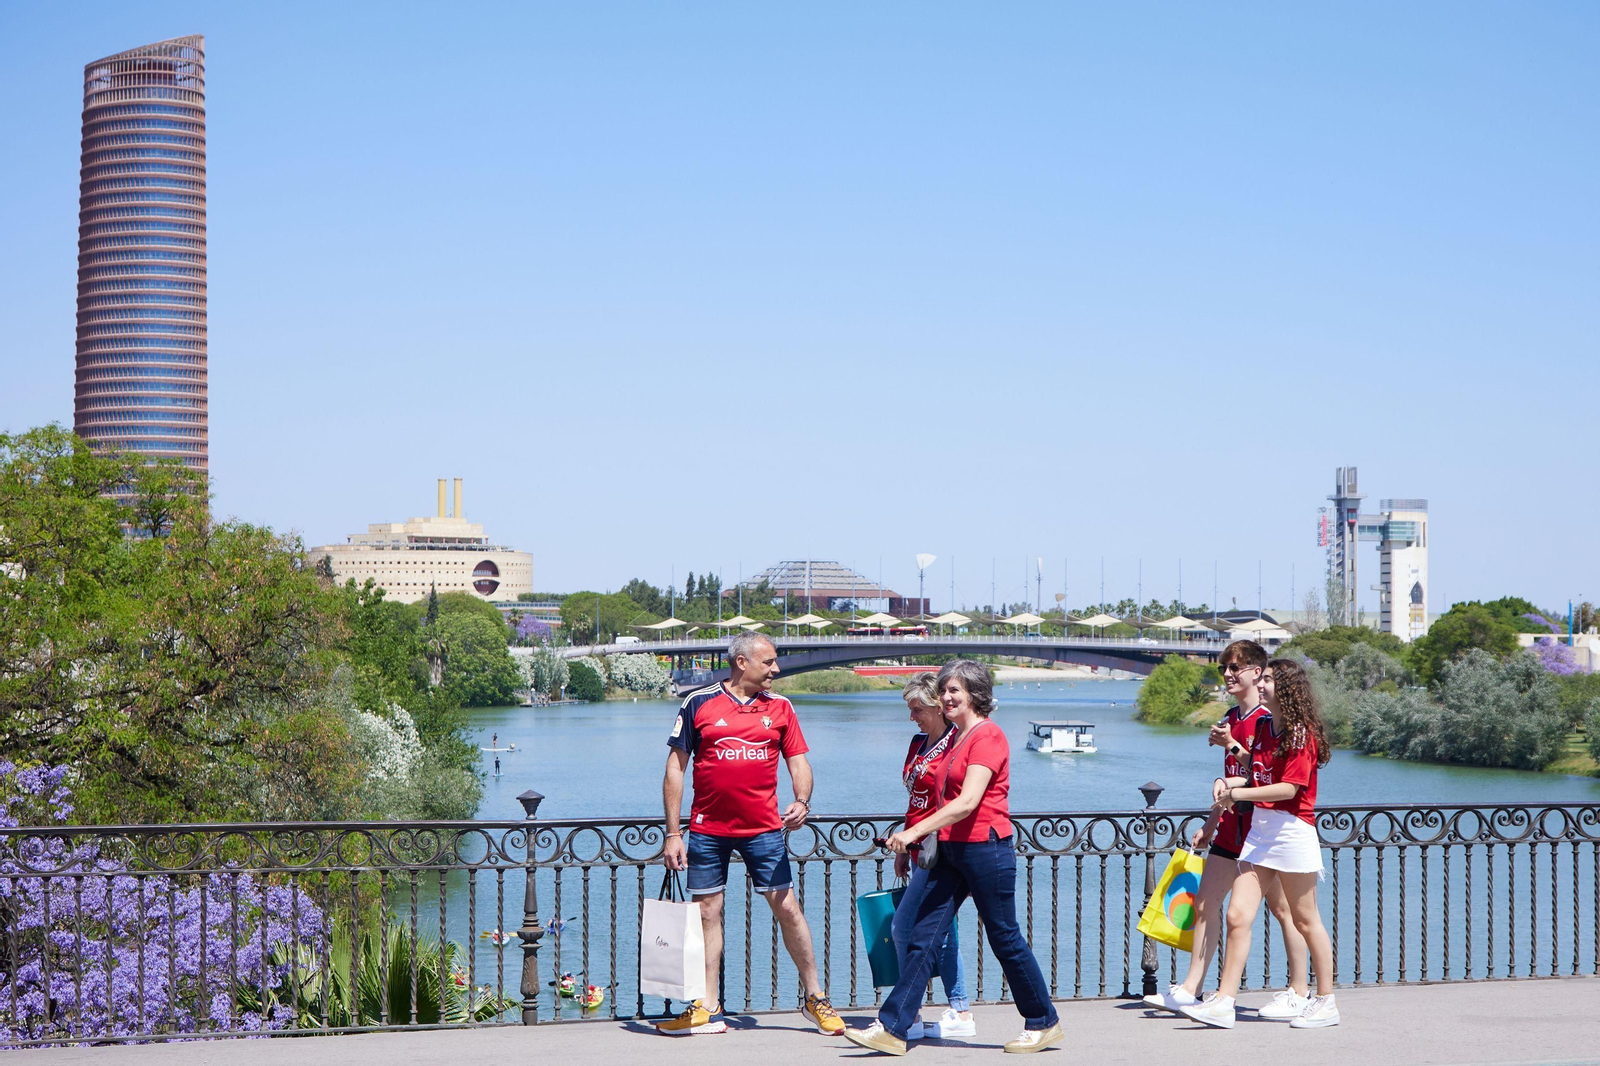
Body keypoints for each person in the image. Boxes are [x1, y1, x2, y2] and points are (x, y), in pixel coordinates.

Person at [843, 660, 1062, 1056]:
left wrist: (913, 833)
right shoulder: (957, 738)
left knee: (1004, 937)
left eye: (954, 691)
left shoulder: (987, 736)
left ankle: (1043, 1022)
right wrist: (922, 837)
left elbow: (967, 801)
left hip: (985, 848)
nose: (946, 697)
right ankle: (892, 1027)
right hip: (949, 849)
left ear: (975, 695)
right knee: (922, 937)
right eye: (943, 690)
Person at [657, 632, 844, 1036]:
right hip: (708, 828)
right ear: (742, 663)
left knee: (787, 908)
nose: (776, 669)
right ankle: (708, 1008)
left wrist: (802, 801)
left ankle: (816, 999)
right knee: (707, 912)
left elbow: (798, 761)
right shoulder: (698, 703)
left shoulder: (781, 707)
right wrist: (673, 833)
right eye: (769, 662)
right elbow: (676, 768)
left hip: (764, 828)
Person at [1144, 639, 1309, 1020]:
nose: (1228, 675)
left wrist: (1233, 750)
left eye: (1235, 668)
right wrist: (1211, 820)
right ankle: (1191, 990)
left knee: (1285, 911)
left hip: (1262, 828)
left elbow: (1267, 774)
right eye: (1224, 669)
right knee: (1204, 904)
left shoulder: (1268, 720)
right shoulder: (1232, 717)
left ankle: (1300, 989)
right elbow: (1235, 777)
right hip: (1231, 825)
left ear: (1256, 671)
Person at [1181, 657, 1339, 1029]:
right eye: (1263, 678)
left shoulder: (1301, 734)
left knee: (1305, 919)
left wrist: (1241, 796)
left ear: (1287, 688)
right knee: (1237, 915)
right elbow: (1257, 766)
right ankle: (1224, 1002)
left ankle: (1326, 1000)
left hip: (1292, 831)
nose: (1262, 684)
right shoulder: (1267, 726)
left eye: (1268, 679)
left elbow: (1289, 787)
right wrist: (1229, 778)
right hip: (1262, 833)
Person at [890, 674, 974, 1042]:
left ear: (938, 707)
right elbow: (915, 800)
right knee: (943, 932)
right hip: (920, 847)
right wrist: (906, 847)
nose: (912, 717)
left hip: (942, 847)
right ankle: (959, 1010)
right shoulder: (917, 742)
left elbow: (955, 799)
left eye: (917, 709)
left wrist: (923, 841)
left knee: (903, 928)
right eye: (910, 709)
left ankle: (909, 1014)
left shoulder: (957, 743)